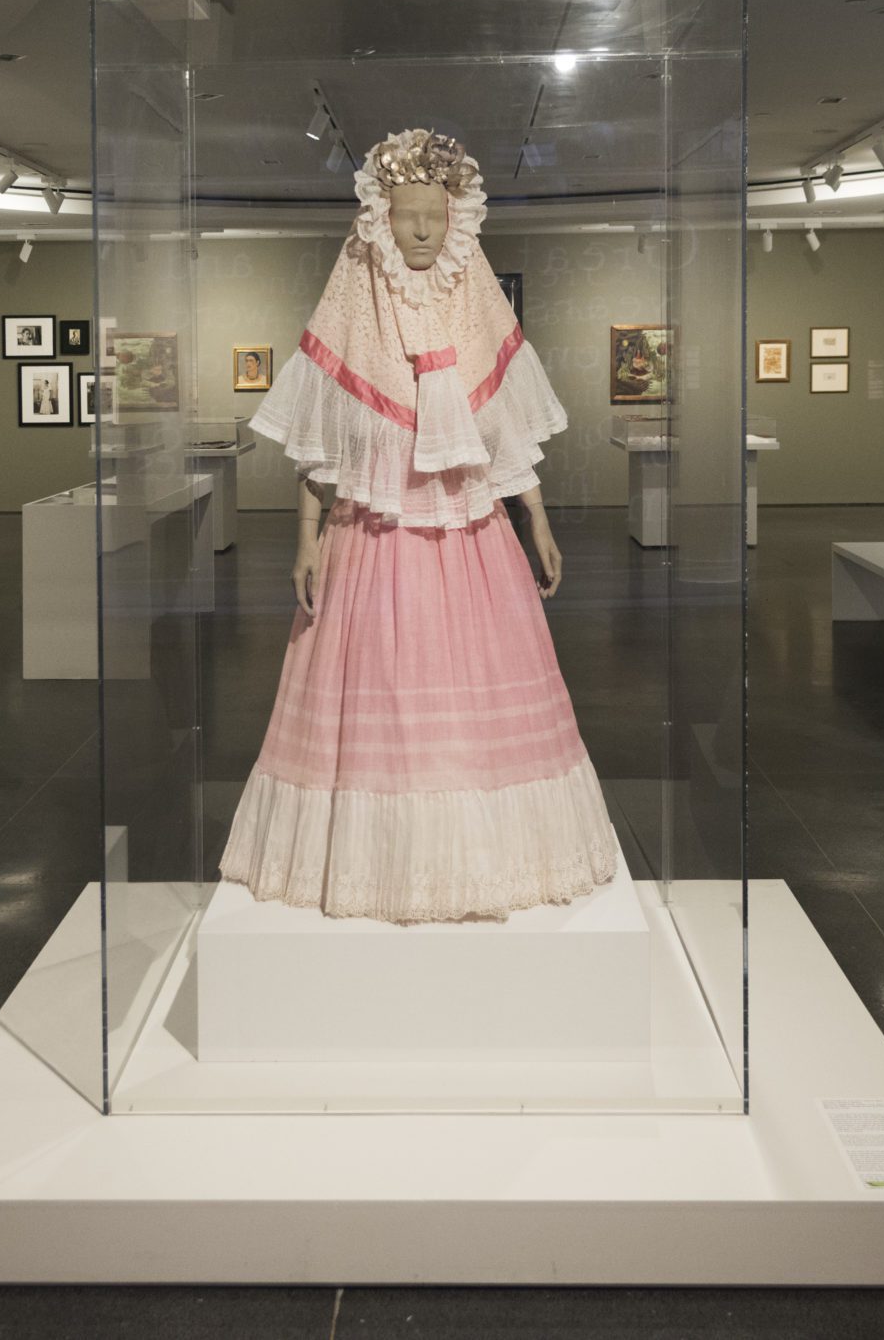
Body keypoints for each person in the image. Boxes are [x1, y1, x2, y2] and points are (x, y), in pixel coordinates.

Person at [221, 129, 611, 923]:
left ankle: (489, 854)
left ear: (457, 219)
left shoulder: (475, 306)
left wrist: (535, 516)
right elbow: (326, 444)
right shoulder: (355, 312)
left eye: (436, 214)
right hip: (375, 544)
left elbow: (502, 431)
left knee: (478, 697)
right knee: (382, 697)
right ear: (381, 220)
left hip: (472, 542)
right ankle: (377, 861)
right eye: (408, 215)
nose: (424, 229)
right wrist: (305, 536)